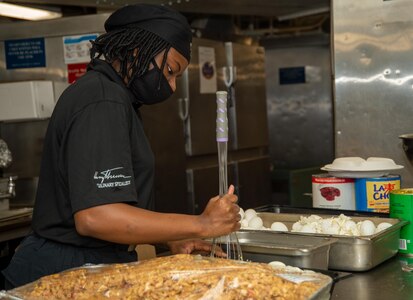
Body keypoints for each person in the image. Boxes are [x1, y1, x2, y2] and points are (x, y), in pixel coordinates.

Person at [2, 4, 240, 289]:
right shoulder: (103, 101)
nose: (173, 87)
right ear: (138, 51)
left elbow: (113, 208)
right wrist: (202, 224)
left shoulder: (114, 98)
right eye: (170, 70)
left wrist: (168, 236)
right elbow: (96, 217)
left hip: (90, 263)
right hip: (63, 270)